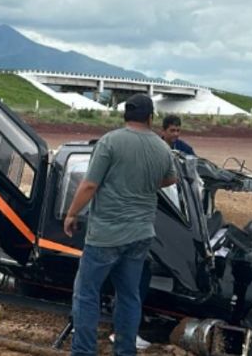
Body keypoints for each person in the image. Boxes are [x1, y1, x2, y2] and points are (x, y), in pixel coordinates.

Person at [64, 93, 177, 356]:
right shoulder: (162, 148)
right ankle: (125, 350)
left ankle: (83, 352)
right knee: (129, 296)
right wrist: (144, 184)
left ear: (125, 116)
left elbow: (90, 184)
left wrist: (71, 214)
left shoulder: (110, 142)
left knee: (86, 294)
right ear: (151, 118)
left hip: (105, 235)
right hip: (140, 235)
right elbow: (171, 179)